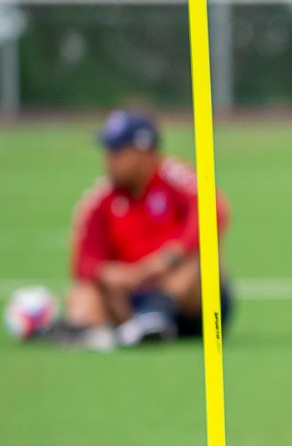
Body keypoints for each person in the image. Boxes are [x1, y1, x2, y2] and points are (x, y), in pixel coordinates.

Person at [59, 110, 231, 347]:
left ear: (143, 151)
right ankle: (87, 330)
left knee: (203, 258)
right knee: (82, 294)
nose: (108, 160)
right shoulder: (101, 198)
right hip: (128, 300)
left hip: (186, 301)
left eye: (117, 152)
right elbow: (83, 262)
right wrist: (110, 273)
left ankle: (156, 314)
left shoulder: (172, 175)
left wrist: (167, 258)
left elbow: (214, 209)